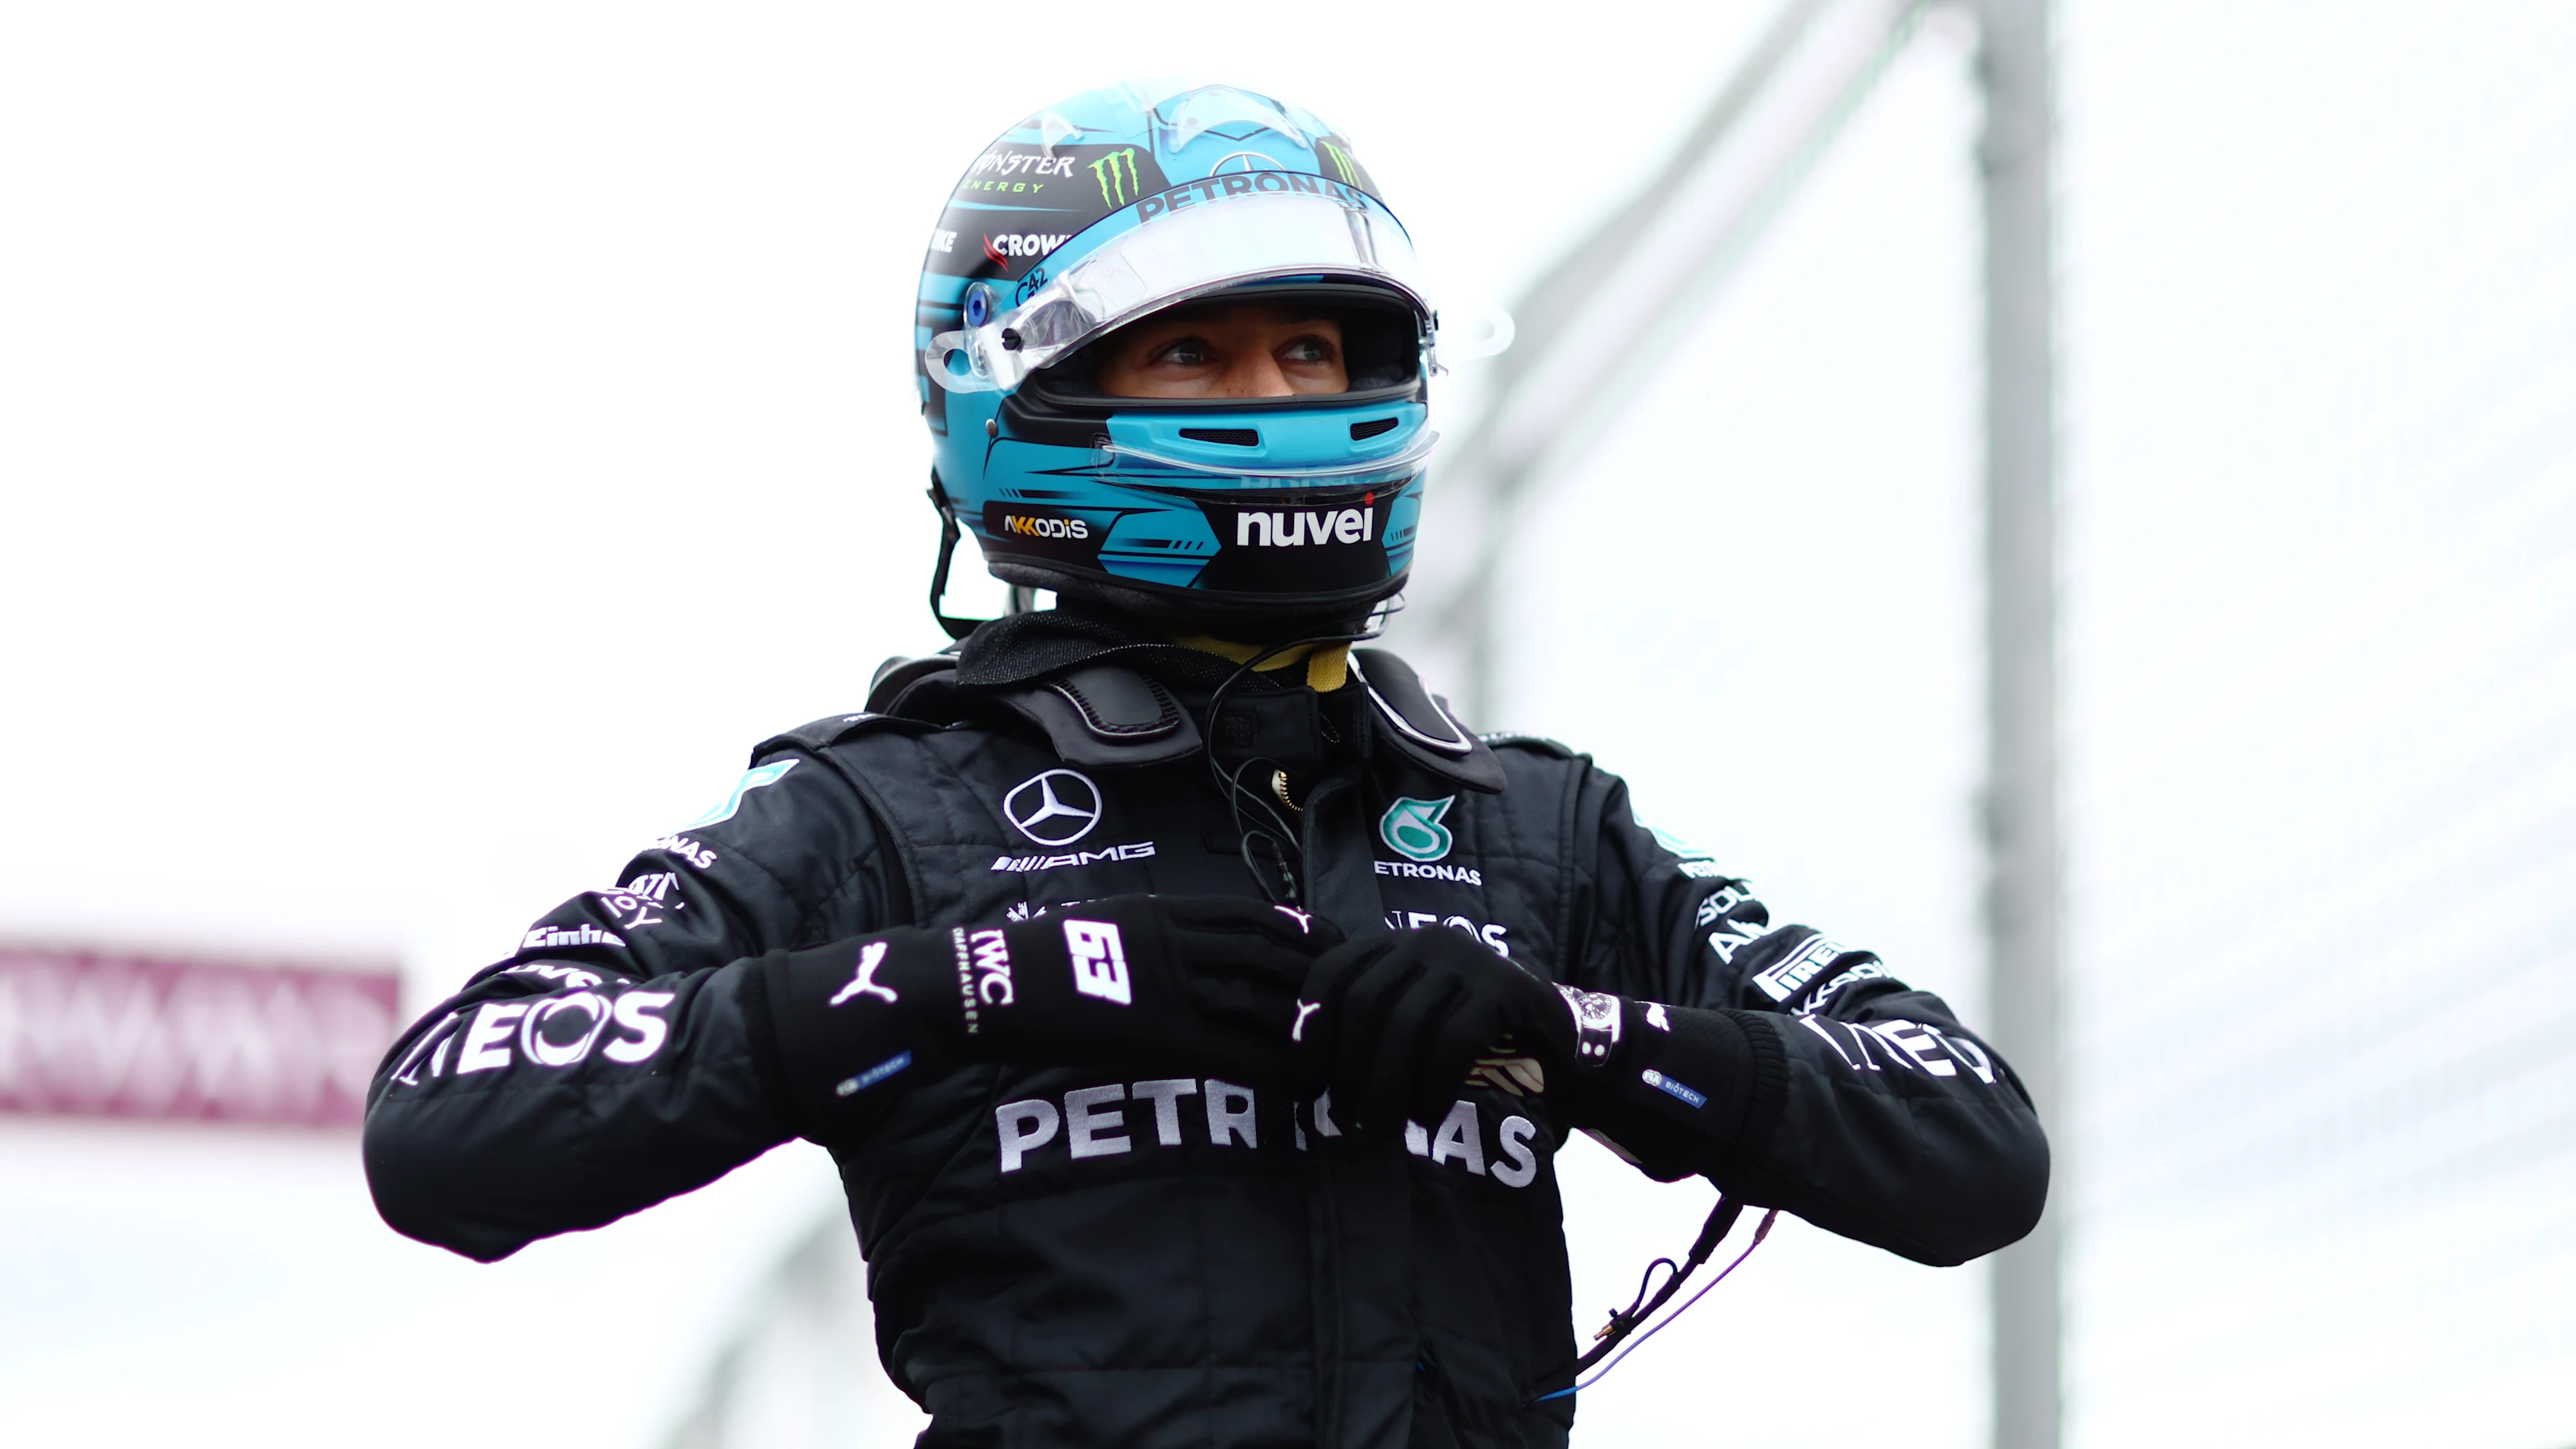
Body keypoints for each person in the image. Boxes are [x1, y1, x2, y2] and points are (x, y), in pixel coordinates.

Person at [363, 80, 2048, 1449]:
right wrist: (989, 981)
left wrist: (1578, 1039)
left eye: (1311, 351)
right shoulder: (888, 808)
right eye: (1193, 353)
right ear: (1022, 387)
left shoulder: (1533, 826)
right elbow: (454, 1111)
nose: (1278, 400)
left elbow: (1970, 1139)